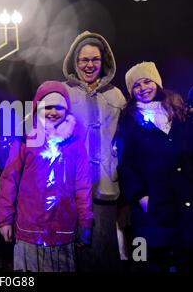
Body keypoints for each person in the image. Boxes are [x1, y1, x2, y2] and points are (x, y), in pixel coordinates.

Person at [0, 81, 93, 272]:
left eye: (59, 107)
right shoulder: (26, 138)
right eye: (48, 107)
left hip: (63, 228)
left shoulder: (75, 142)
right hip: (29, 228)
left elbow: (83, 185)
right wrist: (4, 219)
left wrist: (85, 222)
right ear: (38, 108)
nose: (53, 112)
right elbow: (9, 179)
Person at [116, 61, 193, 272]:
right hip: (153, 208)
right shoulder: (128, 120)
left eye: (147, 81)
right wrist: (141, 197)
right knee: (151, 263)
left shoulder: (178, 112)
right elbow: (126, 165)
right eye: (136, 86)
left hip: (183, 203)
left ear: (157, 82)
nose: (143, 89)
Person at [60, 31, 127, 271]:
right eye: (84, 60)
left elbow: (126, 137)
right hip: (72, 185)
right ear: (74, 62)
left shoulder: (116, 95)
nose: (89, 65)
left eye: (95, 59)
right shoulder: (63, 93)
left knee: (105, 248)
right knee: (78, 249)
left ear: (104, 61)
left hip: (107, 184)